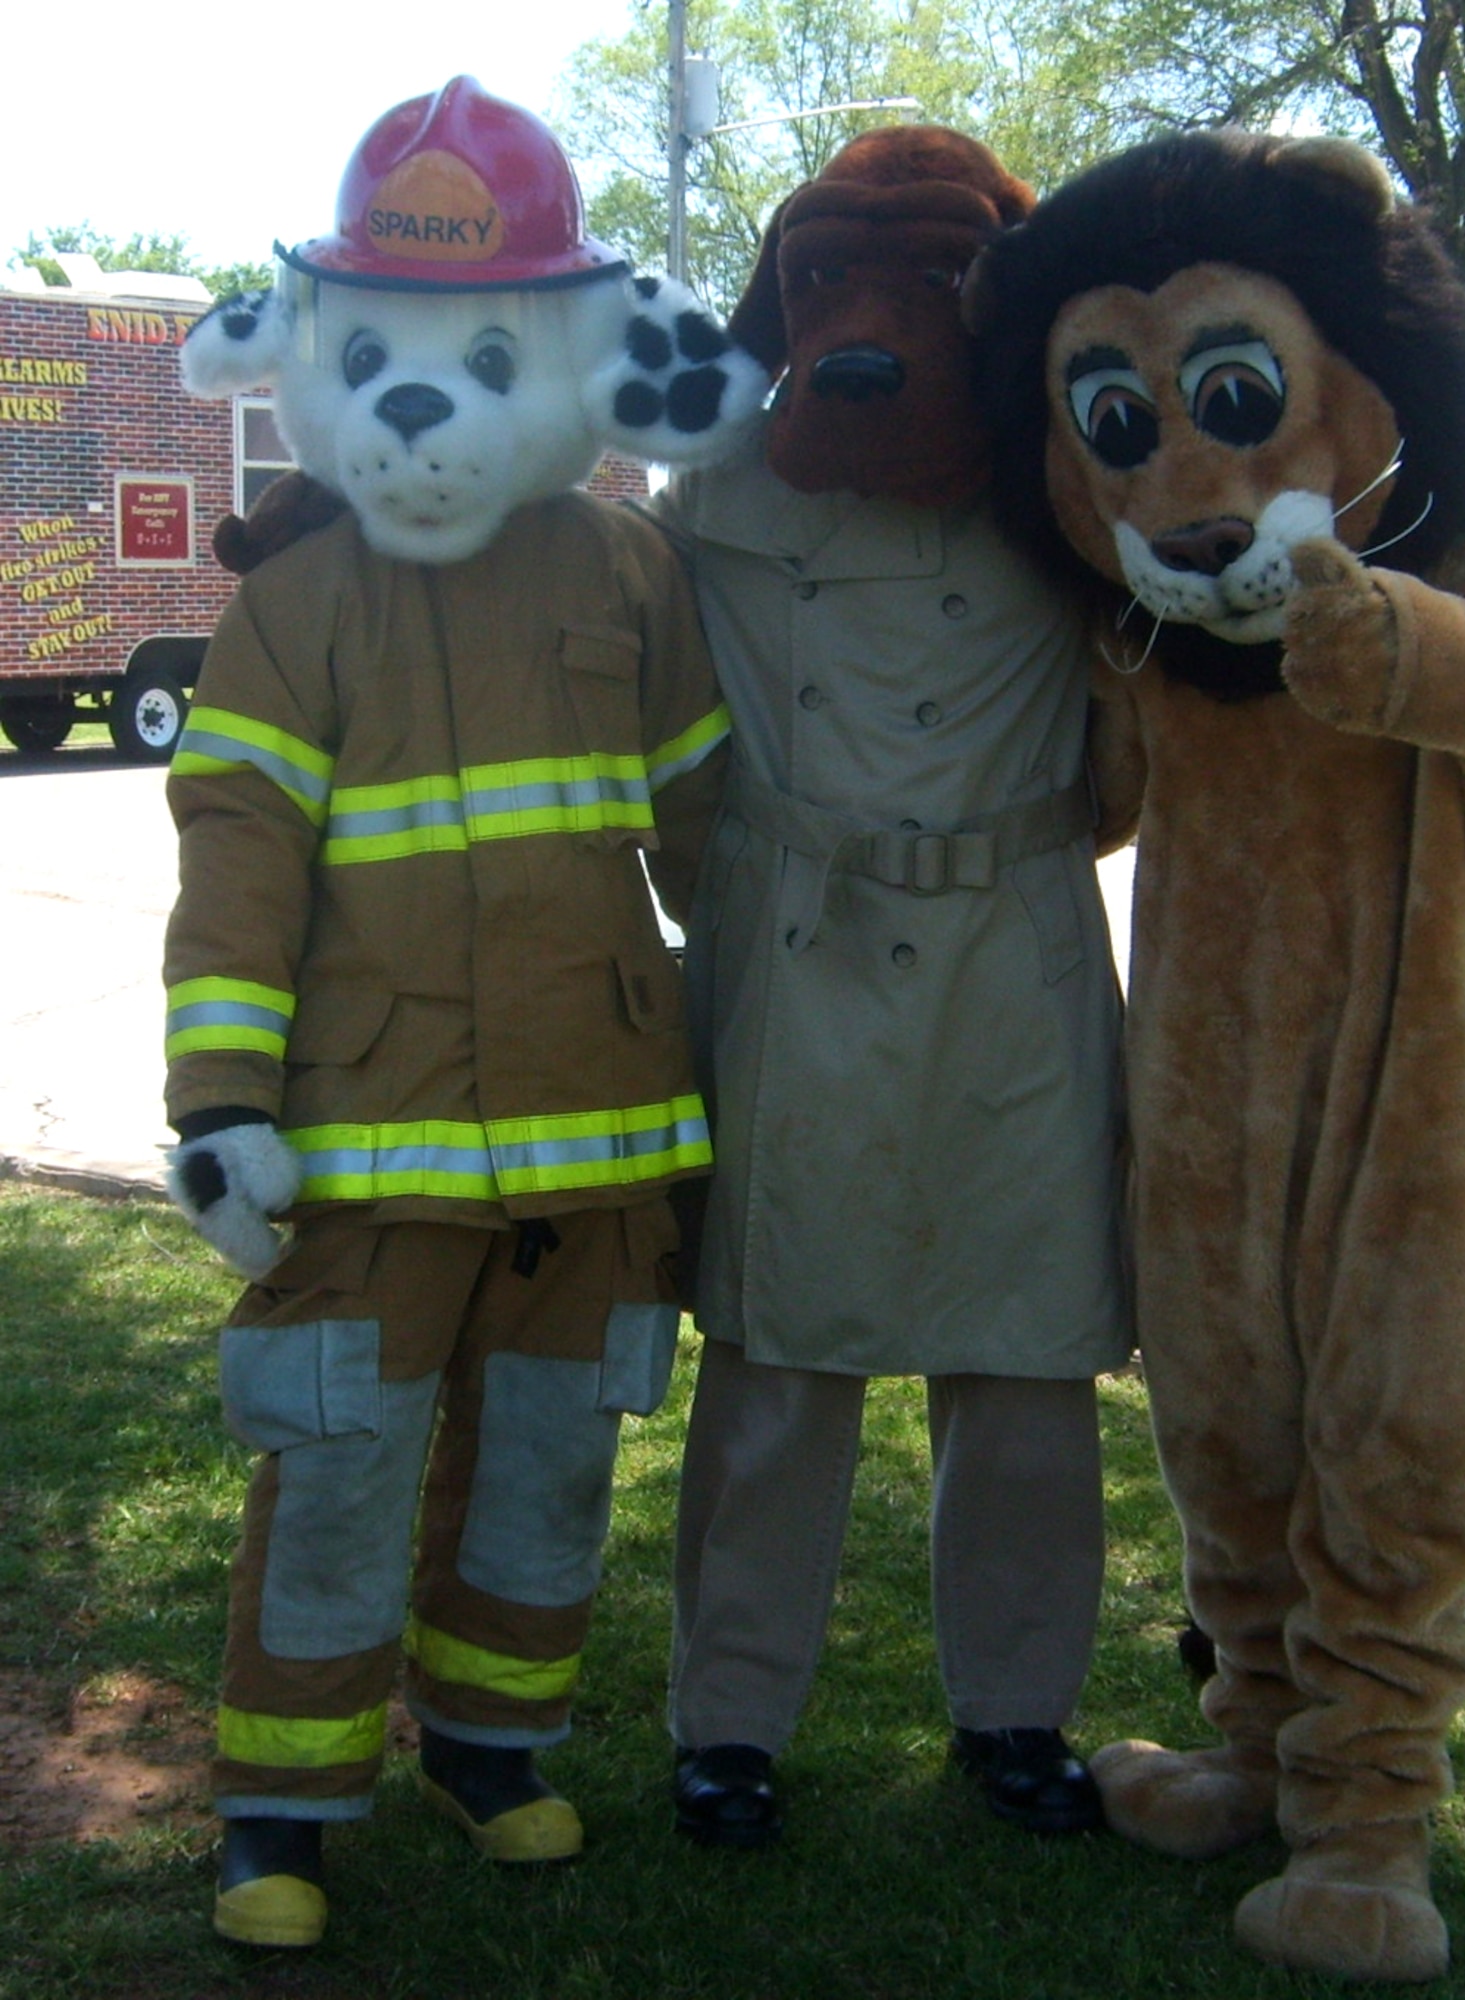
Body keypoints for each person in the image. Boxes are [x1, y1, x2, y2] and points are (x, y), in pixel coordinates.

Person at [160, 77, 765, 1946]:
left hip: (598, 1143)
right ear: (320, 352)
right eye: (385, 355)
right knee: (337, 1469)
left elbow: (712, 835)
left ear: (576, 359)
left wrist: (793, 1030)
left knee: (548, 1471)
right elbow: (237, 863)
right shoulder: (293, 607)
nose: (426, 403)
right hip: (367, 1145)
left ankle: (492, 1748)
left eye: (490, 353)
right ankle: (281, 1802)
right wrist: (218, 1104)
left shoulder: (633, 568)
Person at [648, 125, 1130, 1847]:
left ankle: (1017, 1708)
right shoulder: (715, 495)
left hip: (1015, 954)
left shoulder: (1074, 476)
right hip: (806, 954)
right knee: (776, 1369)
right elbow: (649, 700)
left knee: (1024, 1371)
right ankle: (728, 1724)